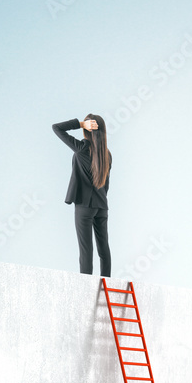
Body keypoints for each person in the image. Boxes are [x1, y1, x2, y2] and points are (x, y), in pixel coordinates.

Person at [52, 114, 112, 276]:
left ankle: (86, 288)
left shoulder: (81, 148)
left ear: (87, 130)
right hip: (102, 206)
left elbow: (56, 127)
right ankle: (106, 282)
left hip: (84, 206)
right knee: (103, 248)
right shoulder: (107, 154)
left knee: (86, 250)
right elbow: (106, 185)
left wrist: (80, 124)